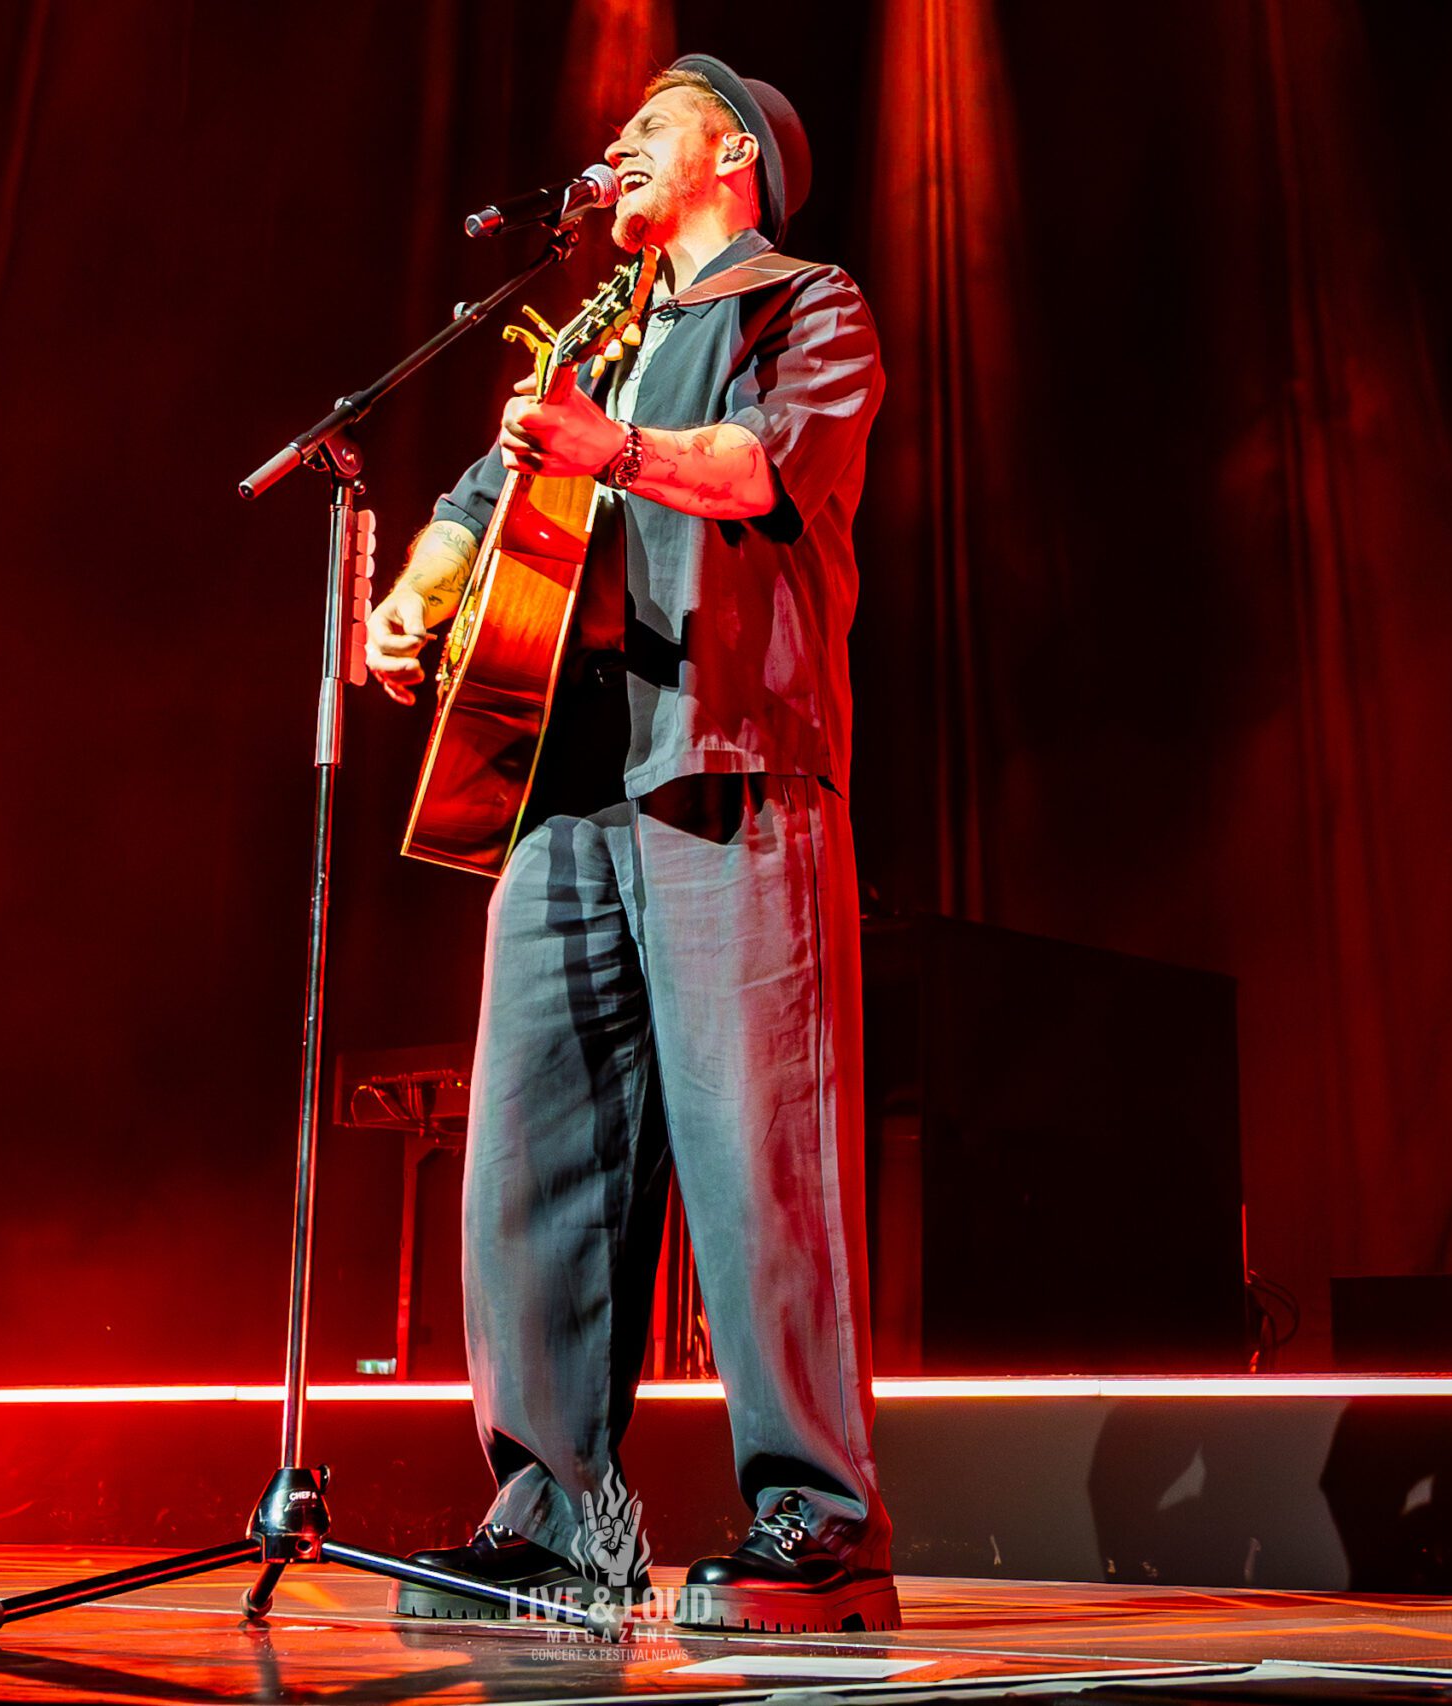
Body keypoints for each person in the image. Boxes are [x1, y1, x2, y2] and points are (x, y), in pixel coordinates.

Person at [364, 54, 893, 1635]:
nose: (619, 144)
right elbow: (483, 491)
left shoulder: (801, 303)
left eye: (650, 124)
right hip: (563, 791)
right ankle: (556, 1526)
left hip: (729, 764)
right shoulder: (591, 334)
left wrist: (617, 453)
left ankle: (822, 1527)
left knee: (758, 1155)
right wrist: (419, 593)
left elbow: (769, 469)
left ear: (732, 153)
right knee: (532, 1161)